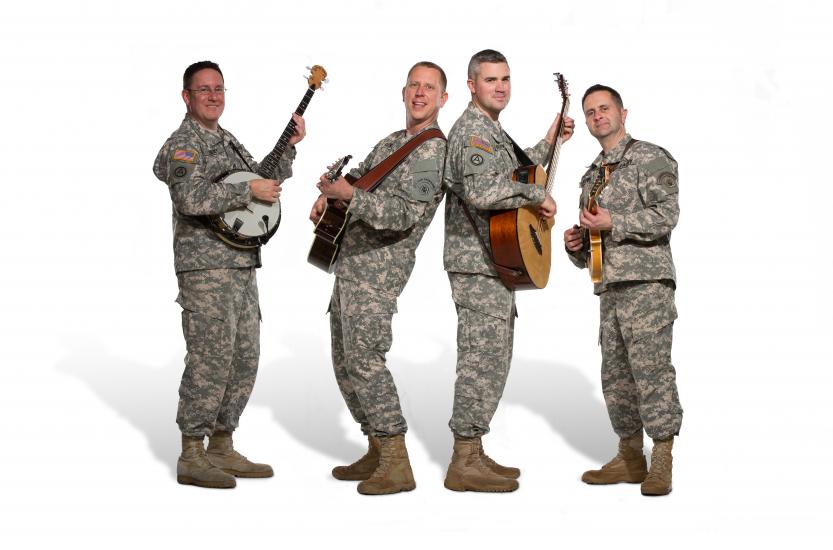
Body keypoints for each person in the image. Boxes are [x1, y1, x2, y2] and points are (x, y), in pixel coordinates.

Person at [153, 60, 306, 489]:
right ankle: (191, 453)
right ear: (187, 97)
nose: (213, 96)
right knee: (209, 358)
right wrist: (246, 191)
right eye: (203, 90)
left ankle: (221, 444)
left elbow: (261, 180)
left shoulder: (227, 139)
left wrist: (289, 147)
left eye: (219, 88)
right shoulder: (185, 144)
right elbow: (189, 197)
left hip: (241, 262)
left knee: (244, 357)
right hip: (205, 268)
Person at [309, 62, 448, 495]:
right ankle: (374, 445)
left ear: (443, 98)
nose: (420, 94)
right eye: (414, 86)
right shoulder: (391, 142)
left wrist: (350, 197)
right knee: (344, 359)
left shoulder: (434, 152)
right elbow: (357, 181)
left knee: (366, 357)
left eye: (430, 88)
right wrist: (327, 199)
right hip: (349, 263)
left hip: (379, 270)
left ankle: (396, 460)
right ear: (403, 92)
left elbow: (405, 214)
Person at [442, 49, 574, 492]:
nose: (499, 87)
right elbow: (483, 190)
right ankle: (462, 461)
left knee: (494, 361)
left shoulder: (492, 131)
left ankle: (475, 451)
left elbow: (514, 172)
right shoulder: (473, 132)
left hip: (495, 262)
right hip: (476, 264)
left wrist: (550, 139)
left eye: (505, 79)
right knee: (480, 362)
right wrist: (534, 197)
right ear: (471, 85)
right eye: (491, 79)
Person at [563, 84, 682, 496]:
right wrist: (576, 246)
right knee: (615, 377)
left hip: (647, 285)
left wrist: (614, 221)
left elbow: (667, 215)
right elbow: (594, 246)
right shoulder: (591, 175)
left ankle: (662, 456)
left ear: (623, 113)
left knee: (651, 371)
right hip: (609, 286)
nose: (598, 116)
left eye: (604, 109)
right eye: (590, 111)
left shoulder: (650, 158)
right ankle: (630, 456)